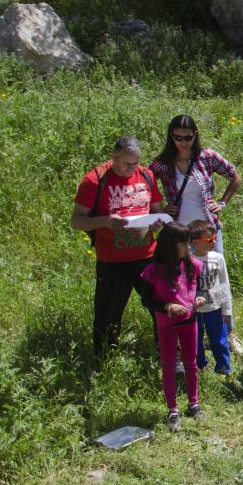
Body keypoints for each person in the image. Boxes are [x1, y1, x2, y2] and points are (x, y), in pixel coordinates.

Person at [150, 114, 243, 353]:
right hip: (180, 234)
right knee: (184, 283)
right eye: (178, 137)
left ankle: (228, 332)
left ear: (195, 136)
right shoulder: (162, 163)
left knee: (216, 281)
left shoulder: (207, 157)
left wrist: (222, 203)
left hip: (207, 231)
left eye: (188, 137)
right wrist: (160, 209)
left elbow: (235, 176)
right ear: (171, 137)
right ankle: (192, 335)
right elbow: (145, 184)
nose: (183, 142)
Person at [71, 135, 165, 359]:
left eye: (135, 163)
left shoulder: (146, 176)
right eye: (126, 163)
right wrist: (104, 221)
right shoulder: (95, 180)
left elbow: (157, 210)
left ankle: (168, 354)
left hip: (147, 257)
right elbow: (76, 221)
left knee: (162, 307)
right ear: (114, 157)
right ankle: (104, 361)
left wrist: (158, 221)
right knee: (108, 315)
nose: (132, 168)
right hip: (112, 260)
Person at [138, 222, 205, 431]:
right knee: (168, 364)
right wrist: (167, 306)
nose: (188, 248)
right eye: (184, 244)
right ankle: (173, 409)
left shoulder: (193, 265)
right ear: (170, 245)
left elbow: (201, 289)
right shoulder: (153, 270)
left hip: (190, 321)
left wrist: (201, 298)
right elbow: (146, 300)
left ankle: (194, 403)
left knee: (191, 363)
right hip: (167, 324)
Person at [188, 220, 232, 375]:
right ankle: (199, 367)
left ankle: (224, 369)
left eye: (214, 238)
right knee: (195, 341)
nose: (214, 242)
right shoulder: (188, 260)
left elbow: (224, 284)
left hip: (215, 308)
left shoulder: (218, 258)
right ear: (195, 242)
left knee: (219, 340)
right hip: (194, 310)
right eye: (209, 240)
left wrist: (227, 310)